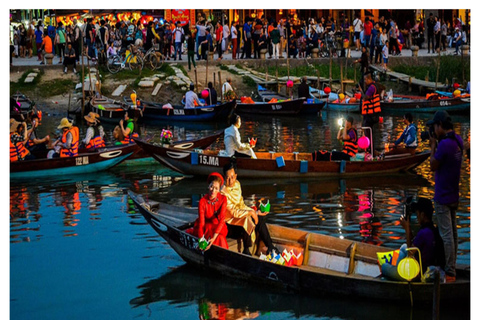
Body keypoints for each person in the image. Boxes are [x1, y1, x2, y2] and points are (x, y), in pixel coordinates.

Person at [427, 110, 463, 282]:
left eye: (435, 126)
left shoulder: (444, 145)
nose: (434, 129)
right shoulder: (458, 141)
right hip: (454, 194)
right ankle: (453, 267)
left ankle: (450, 272)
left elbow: (433, 165)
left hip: (442, 196)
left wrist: (433, 146)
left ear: (440, 126)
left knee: (446, 235)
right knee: (453, 234)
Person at [221, 162, 278, 256]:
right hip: (229, 224)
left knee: (259, 218)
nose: (230, 181)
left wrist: (256, 212)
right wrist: (251, 212)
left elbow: (242, 205)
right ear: (224, 177)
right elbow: (233, 212)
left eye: (232, 177)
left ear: (236, 176)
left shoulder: (237, 184)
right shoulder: (223, 192)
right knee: (246, 219)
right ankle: (246, 250)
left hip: (239, 218)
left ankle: (270, 246)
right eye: (228, 178)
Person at [400, 197, 445, 273]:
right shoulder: (433, 229)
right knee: (403, 247)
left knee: (385, 267)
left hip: (420, 273)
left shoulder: (423, 233)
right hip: (430, 267)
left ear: (422, 215)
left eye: (417, 214)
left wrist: (407, 229)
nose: (417, 217)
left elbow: (409, 254)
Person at [188, 173, 229, 251]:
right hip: (206, 227)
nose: (213, 190)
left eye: (216, 188)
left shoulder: (223, 199)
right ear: (208, 186)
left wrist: (214, 238)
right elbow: (202, 223)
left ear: (219, 190)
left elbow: (222, 220)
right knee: (210, 235)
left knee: (220, 238)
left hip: (218, 226)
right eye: (211, 187)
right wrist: (201, 239)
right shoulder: (202, 201)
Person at [360, 73, 383, 154]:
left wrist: (361, 91)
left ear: (369, 79)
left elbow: (365, 98)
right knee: (370, 133)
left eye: (365, 79)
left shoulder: (371, 88)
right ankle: (371, 149)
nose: (365, 81)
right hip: (373, 114)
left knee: (368, 132)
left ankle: (371, 151)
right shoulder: (375, 86)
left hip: (370, 115)